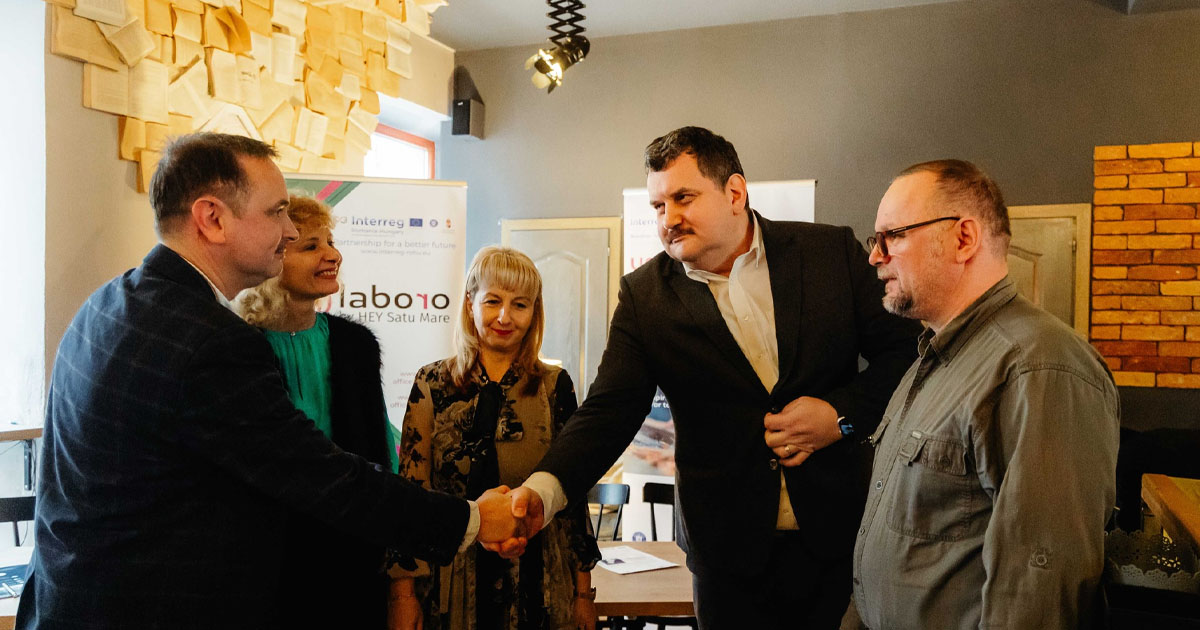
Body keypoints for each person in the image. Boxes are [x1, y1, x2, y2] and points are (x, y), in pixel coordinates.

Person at [18, 133, 517, 630]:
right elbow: (319, 474)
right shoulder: (211, 342)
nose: (288, 229)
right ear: (212, 218)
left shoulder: (108, 302)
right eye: (276, 213)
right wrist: (472, 519)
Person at [496, 126, 922, 629]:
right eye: (658, 206)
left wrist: (839, 417)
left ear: (735, 192)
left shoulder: (829, 254)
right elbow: (608, 412)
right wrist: (542, 491)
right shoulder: (645, 297)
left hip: (842, 542)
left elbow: (908, 355)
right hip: (727, 564)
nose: (668, 219)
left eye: (683, 198)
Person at [852, 160, 1120, 630]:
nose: (875, 256)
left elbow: (1039, 590)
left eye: (892, 235)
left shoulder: (1039, 366)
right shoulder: (931, 359)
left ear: (963, 239)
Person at [391, 246, 601, 630]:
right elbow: (410, 494)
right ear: (470, 303)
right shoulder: (431, 384)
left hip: (540, 584)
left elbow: (572, 498)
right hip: (451, 586)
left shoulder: (554, 386)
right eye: (493, 301)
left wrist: (583, 594)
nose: (504, 317)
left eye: (519, 305)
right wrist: (402, 596)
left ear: (534, 312)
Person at [233, 194, 401, 629]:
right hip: (267, 568)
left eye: (331, 242)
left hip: (351, 558)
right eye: (311, 246)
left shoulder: (356, 345)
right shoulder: (237, 349)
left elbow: (379, 451)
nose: (333, 255)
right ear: (272, 258)